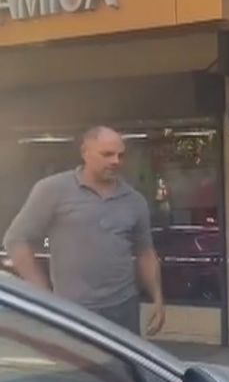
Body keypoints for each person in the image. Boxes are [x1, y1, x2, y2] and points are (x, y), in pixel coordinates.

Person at [3, 126, 165, 336]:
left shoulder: (134, 200)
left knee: (123, 369)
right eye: (107, 154)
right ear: (85, 153)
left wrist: (158, 299)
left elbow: (146, 253)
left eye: (120, 155)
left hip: (124, 309)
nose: (116, 161)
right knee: (79, 369)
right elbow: (15, 240)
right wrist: (44, 296)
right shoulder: (53, 190)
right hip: (73, 310)